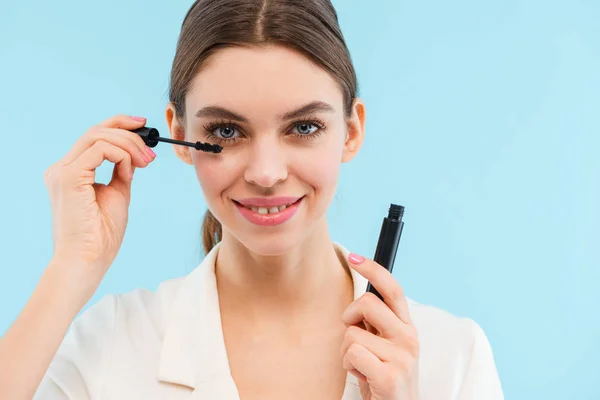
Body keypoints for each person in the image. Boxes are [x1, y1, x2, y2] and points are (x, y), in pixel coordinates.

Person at [0, 0, 504, 399]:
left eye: (304, 127)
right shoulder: (107, 344)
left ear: (351, 132)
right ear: (177, 131)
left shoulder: (452, 356)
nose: (266, 173)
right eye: (225, 131)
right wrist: (71, 267)